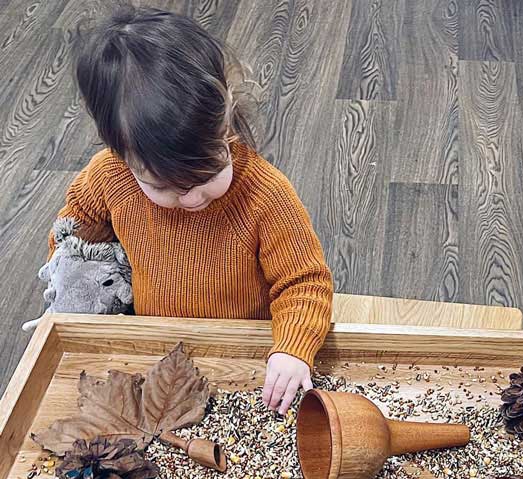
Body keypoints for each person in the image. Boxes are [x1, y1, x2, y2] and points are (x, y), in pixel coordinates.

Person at [51, 6, 333, 414]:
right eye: (163, 186)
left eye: (208, 174)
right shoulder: (108, 178)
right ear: (120, 154)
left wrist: (292, 350)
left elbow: (304, 283)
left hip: (243, 357)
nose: (192, 200)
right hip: (152, 352)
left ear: (227, 123)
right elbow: (71, 239)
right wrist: (78, 291)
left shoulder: (265, 195)